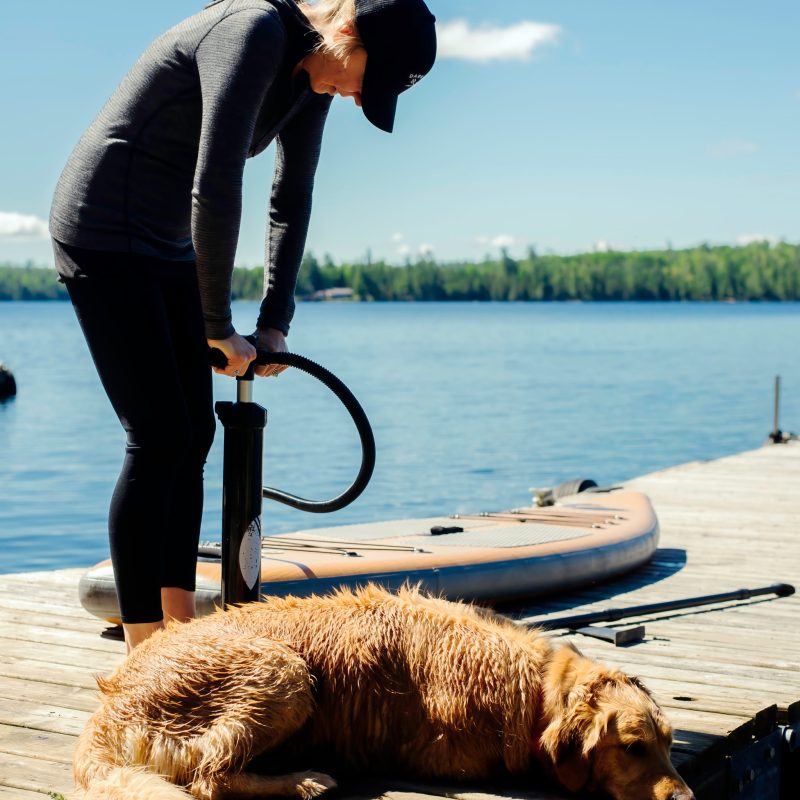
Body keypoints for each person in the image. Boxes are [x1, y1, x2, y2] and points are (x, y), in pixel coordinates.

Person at [49, 0, 436, 652]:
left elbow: (290, 198)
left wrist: (274, 322)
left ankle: (182, 639)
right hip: (102, 227)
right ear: (347, 30)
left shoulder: (312, 78)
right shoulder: (253, 29)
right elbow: (217, 177)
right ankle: (146, 662)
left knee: (195, 433)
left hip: (168, 240)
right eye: (365, 81)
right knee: (158, 436)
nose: (354, 97)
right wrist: (217, 323)